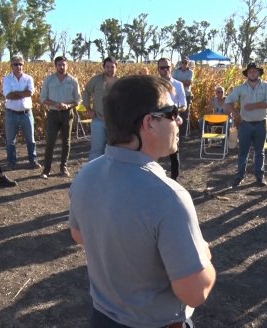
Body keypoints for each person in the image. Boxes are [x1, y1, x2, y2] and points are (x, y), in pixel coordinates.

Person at [69, 75, 216, 327]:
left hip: (101, 318)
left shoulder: (86, 174)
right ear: (149, 123)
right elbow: (195, 292)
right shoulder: (169, 197)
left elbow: (78, 235)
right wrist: (204, 253)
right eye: (172, 112)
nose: (179, 120)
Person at [225, 63, 267, 188]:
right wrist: (236, 113)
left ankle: (260, 177)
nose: (252, 73)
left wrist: (254, 106)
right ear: (247, 74)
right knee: (243, 152)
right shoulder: (241, 88)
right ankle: (240, 176)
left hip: (261, 123)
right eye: (250, 71)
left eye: (254, 71)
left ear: (259, 73)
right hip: (245, 124)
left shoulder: (266, 87)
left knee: (260, 152)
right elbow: (228, 101)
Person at [39, 56, 81, 179]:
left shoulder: (73, 81)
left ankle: (64, 167)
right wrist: (55, 104)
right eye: (59, 65)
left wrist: (68, 105)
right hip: (53, 114)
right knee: (50, 141)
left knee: (66, 142)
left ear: (67, 65)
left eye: (63, 64)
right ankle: (46, 170)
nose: (61, 67)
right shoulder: (49, 80)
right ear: (55, 66)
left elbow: (78, 100)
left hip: (67, 114)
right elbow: (43, 99)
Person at [2, 54, 41, 170]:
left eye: (20, 64)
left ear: (23, 65)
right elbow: (8, 95)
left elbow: (30, 93)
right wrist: (22, 93)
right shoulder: (7, 79)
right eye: (15, 64)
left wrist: (16, 93)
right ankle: (11, 162)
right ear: (11, 66)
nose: (18, 66)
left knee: (31, 139)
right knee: (10, 140)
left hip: (26, 113)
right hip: (11, 113)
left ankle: (33, 160)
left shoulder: (29, 78)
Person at [82, 56, 119, 161]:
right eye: (107, 67)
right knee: (96, 150)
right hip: (98, 119)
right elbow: (86, 92)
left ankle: (108, 174)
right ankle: (93, 174)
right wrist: (89, 109)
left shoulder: (121, 82)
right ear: (104, 67)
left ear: (116, 67)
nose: (110, 69)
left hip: (114, 122)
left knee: (113, 149)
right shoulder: (96, 80)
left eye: (112, 67)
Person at [158, 57, 187, 180]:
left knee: (174, 152)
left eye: (167, 67)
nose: (165, 70)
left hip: (172, 121)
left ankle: (174, 179)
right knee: (153, 150)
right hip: (157, 121)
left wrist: (175, 112)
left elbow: (184, 105)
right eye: (162, 67)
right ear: (158, 69)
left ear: (171, 67)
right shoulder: (154, 84)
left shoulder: (178, 85)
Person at [172, 57, 194, 136]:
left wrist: (178, 83)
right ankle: (175, 132)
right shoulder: (176, 71)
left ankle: (183, 133)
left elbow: (188, 83)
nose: (184, 64)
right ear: (180, 63)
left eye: (186, 62)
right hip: (175, 95)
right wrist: (182, 83)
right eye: (183, 62)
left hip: (187, 95)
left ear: (188, 63)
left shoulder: (190, 72)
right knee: (175, 113)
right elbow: (172, 83)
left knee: (185, 114)